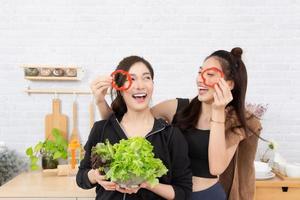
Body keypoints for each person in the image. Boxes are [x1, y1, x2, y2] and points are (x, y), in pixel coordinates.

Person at [91, 47, 262, 200]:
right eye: (199, 72)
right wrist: (100, 101)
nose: (200, 79)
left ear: (229, 84)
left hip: (206, 196)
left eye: (209, 75)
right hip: (170, 194)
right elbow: (126, 123)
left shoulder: (237, 123)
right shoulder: (177, 108)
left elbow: (216, 168)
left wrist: (218, 111)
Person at [77, 56, 192, 200]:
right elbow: (81, 177)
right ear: (120, 88)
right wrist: (95, 176)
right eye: (131, 79)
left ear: (152, 84)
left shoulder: (170, 135)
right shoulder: (102, 129)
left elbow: (184, 193)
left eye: (146, 78)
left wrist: (147, 182)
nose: (140, 85)